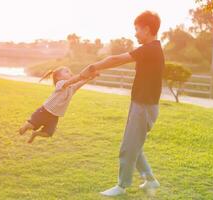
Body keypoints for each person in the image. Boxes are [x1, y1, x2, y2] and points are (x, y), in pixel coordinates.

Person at [64, 10, 165, 197]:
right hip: (141, 104)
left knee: (128, 147)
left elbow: (117, 59)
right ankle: (150, 179)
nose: (135, 33)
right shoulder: (152, 50)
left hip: (144, 107)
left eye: (137, 29)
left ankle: (122, 186)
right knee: (135, 146)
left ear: (147, 29)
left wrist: (93, 67)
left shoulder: (150, 49)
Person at [19, 66, 97, 143]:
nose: (70, 73)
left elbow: (80, 83)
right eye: (67, 71)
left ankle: (35, 134)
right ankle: (25, 126)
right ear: (58, 77)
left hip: (55, 116)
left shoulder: (71, 88)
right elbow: (71, 81)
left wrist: (89, 78)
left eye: (70, 72)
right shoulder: (60, 84)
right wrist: (81, 76)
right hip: (45, 111)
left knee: (48, 134)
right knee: (31, 125)